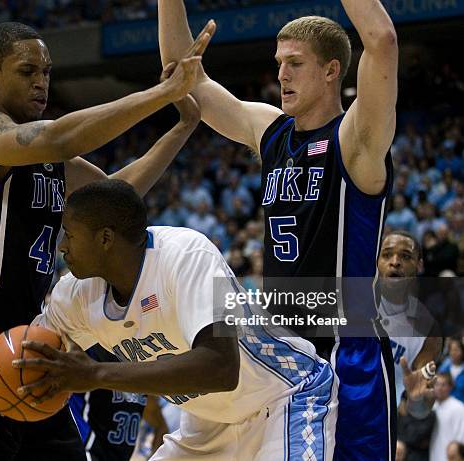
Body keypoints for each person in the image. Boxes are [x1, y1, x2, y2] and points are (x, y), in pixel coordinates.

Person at [0, 21, 213, 461]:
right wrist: (161, 94)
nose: (41, 82)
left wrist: (182, 127)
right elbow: (60, 135)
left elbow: (117, 195)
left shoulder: (54, 162)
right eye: (27, 71)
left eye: (47, 72)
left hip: (35, 343)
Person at [158, 1, 398, 459]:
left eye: (295, 63)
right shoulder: (271, 132)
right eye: (279, 64)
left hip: (346, 352)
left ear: (331, 71)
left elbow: (382, 41)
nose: (282, 75)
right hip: (281, 355)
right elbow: (184, 77)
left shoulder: (356, 139)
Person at [15, 179, 337, 460]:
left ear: (105, 239)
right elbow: (31, 355)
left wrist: (97, 373)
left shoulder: (187, 255)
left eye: (69, 235)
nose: (61, 246)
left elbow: (221, 368)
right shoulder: (75, 294)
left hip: (285, 397)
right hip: (207, 424)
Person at [377, 231, 442, 411]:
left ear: (419, 265)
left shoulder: (429, 330)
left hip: (378, 428)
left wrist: (417, 400)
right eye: (387, 255)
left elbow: (419, 411)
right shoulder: (348, 299)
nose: (395, 262)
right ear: (377, 261)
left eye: (405, 256)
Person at [429, 373, 464, 461]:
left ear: (450, 387)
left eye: (443, 385)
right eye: (437, 384)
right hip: (433, 455)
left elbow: (461, 436)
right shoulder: (431, 407)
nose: (440, 388)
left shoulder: (459, 407)